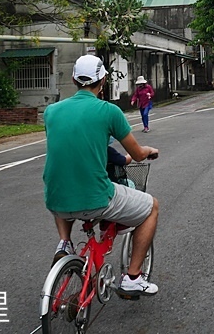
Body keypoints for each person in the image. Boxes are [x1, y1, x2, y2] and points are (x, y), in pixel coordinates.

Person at [43, 55, 160, 296]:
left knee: (64, 181)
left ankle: (64, 242)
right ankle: (133, 278)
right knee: (152, 208)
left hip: (55, 200)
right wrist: (148, 150)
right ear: (103, 80)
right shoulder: (109, 111)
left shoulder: (51, 112)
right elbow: (137, 154)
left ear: (74, 79)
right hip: (95, 197)